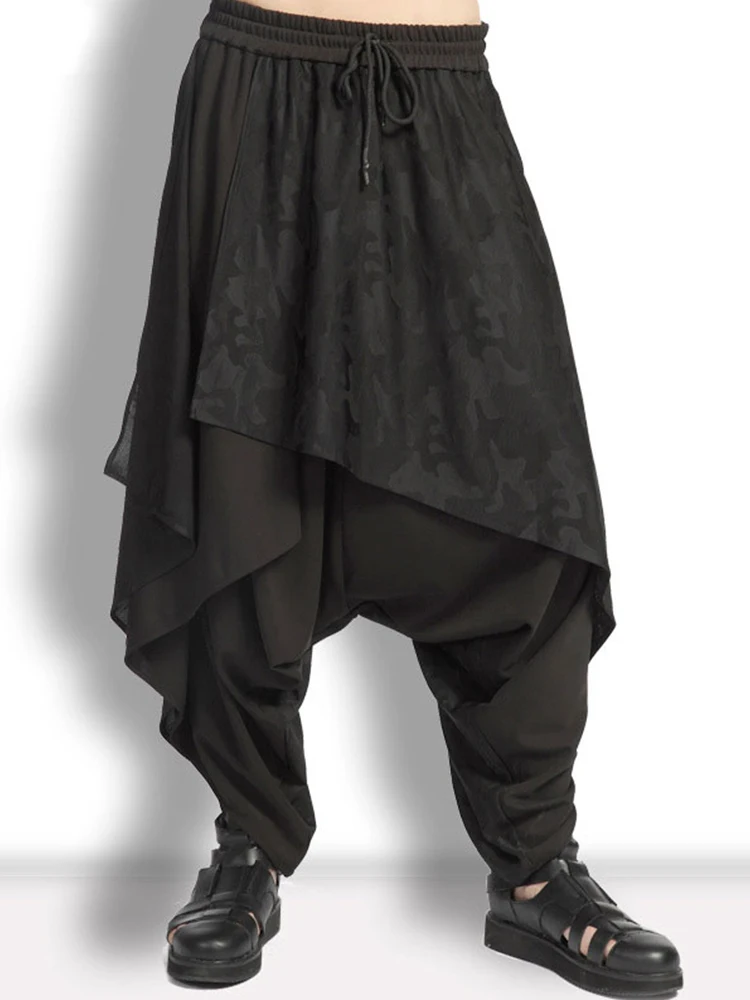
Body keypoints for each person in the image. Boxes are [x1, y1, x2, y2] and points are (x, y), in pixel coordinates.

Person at [103, 0, 683, 995]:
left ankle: (536, 868)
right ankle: (249, 841)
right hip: (258, 75)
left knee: (524, 500)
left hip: (442, 85)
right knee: (246, 463)